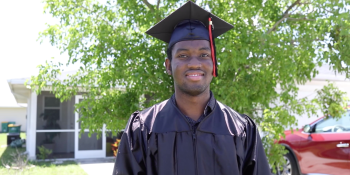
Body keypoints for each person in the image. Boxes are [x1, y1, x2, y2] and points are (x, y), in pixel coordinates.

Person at [113, 1, 271, 175]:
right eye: (183, 55)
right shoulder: (142, 129)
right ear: (168, 65)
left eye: (204, 55)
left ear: (214, 64)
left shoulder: (242, 129)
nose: (194, 63)